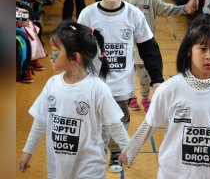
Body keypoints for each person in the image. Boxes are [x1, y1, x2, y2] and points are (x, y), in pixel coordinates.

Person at [119, 13, 210, 179]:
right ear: (189, 50)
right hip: (173, 173)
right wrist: (130, 150)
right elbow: (150, 123)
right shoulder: (169, 90)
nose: (209, 56)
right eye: (203, 48)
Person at [18, 20, 130, 178]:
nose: (51, 55)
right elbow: (40, 121)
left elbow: (115, 125)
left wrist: (128, 149)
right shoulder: (52, 85)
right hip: (58, 168)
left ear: (75, 57)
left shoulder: (97, 88)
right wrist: (27, 152)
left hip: (89, 168)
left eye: (56, 50)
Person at [77, 0, 164, 173]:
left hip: (121, 84)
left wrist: (157, 80)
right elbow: (78, 49)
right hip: (94, 84)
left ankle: (116, 152)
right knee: (96, 123)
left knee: (119, 120)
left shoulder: (134, 15)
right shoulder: (87, 15)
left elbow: (149, 48)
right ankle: (96, 153)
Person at [125, 0, 194, 113]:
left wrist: (184, 8)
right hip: (126, 49)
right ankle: (130, 97)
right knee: (127, 76)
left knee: (145, 76)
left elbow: (167, 9)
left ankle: (145, 98)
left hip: (144, 49)